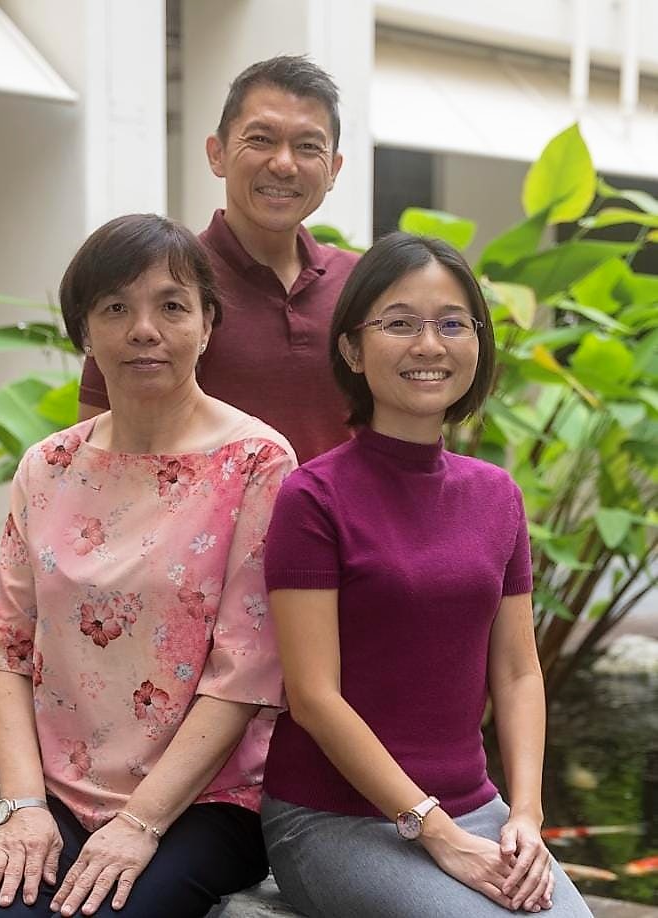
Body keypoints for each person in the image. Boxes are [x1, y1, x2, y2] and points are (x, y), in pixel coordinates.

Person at [0, 214, 296, 918]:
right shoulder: (47, 466)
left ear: (206, 324)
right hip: (57, 790)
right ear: (84, 331)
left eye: (171, 306)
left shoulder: (256, 462)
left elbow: (245, 673)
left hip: (204, 800)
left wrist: (140, 825)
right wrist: (23, 808)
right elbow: (7, 650)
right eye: (115, 308)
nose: (144, 329)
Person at [259, 233, 594, 917]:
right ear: (352, 348)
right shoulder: (313, 497)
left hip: (477, 809)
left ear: (477, 341)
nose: (429, 345)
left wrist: (524, 817)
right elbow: (313, 696)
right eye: (400, 323)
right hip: (334, 820)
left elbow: (517, 672)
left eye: (450, 323)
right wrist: (432, 831)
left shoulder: (495, 494)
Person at [79, 55, 359, 464]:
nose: (283, 164)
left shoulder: (363, 286)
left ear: (333, 169)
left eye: (307, 147)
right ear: (217, 153)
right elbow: (101, 455)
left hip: (339, 530)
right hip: (202, 528)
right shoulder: (160, 286)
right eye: (261, 139)